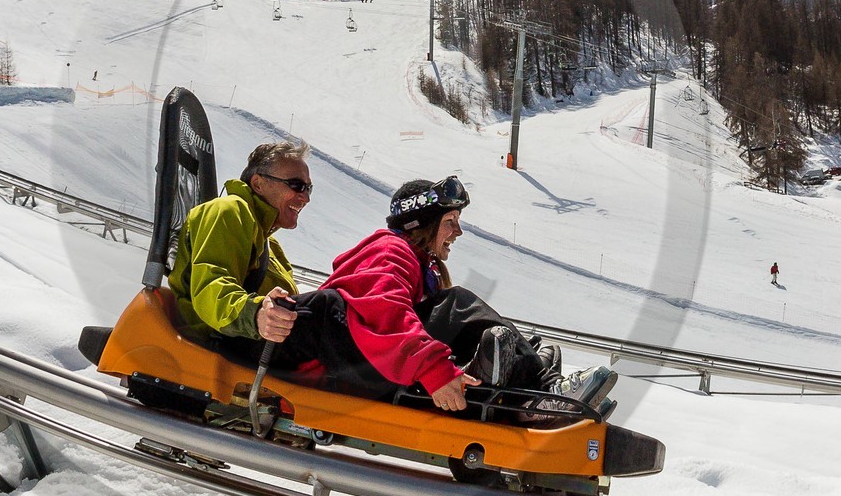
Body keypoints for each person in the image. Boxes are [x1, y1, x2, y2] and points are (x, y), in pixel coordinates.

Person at [274, 176, 617, 419]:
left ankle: (519, 382)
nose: (458, 231)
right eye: (450, 221)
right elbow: (385, 313)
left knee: (469, 322)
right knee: (454, 305)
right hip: (338, 371)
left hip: (364, 368)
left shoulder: (421, 268)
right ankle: (543, 390)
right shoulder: (390, 249)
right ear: (419, 224)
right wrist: (434, 369)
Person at [167, 140, 312, 354]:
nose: (306, 197)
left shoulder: (269, 244)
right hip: (223, 343)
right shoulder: (228, 211)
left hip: (259, 344)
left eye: (309, 188)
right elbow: (212, 286)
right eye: (297, 185)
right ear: (258, 184)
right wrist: (256, 315)